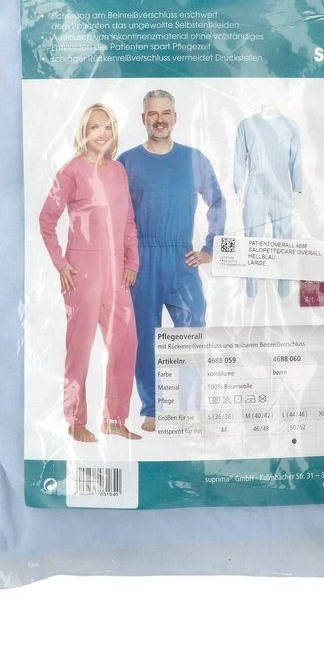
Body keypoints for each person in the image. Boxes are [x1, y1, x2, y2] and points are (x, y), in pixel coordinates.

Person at [119, 90, 226, 432]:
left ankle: (191, 407)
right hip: (141, 262)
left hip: (182, 259)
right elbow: (113, 214)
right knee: (144, 337)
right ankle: (153, 408)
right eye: (153, 114)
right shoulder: (127, 162)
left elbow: (217, 202)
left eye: (166, 113)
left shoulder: (194, 159)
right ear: (143, 119)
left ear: (175, 117)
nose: (160, 119)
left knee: (192, 332)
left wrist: (210, 248)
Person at [39, 104, 141, 442]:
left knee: (126, 342)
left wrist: (132, 263)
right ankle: (75, 421)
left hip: (116, 272)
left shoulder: (118, 171)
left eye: (108, 127)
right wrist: (60, 263)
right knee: (80, 348)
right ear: (84, 131)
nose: (101, 133)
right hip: (81, 271)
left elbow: (128, 221)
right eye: (95, 126)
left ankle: (115, 418)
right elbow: (46, 220)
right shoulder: (71, 171)